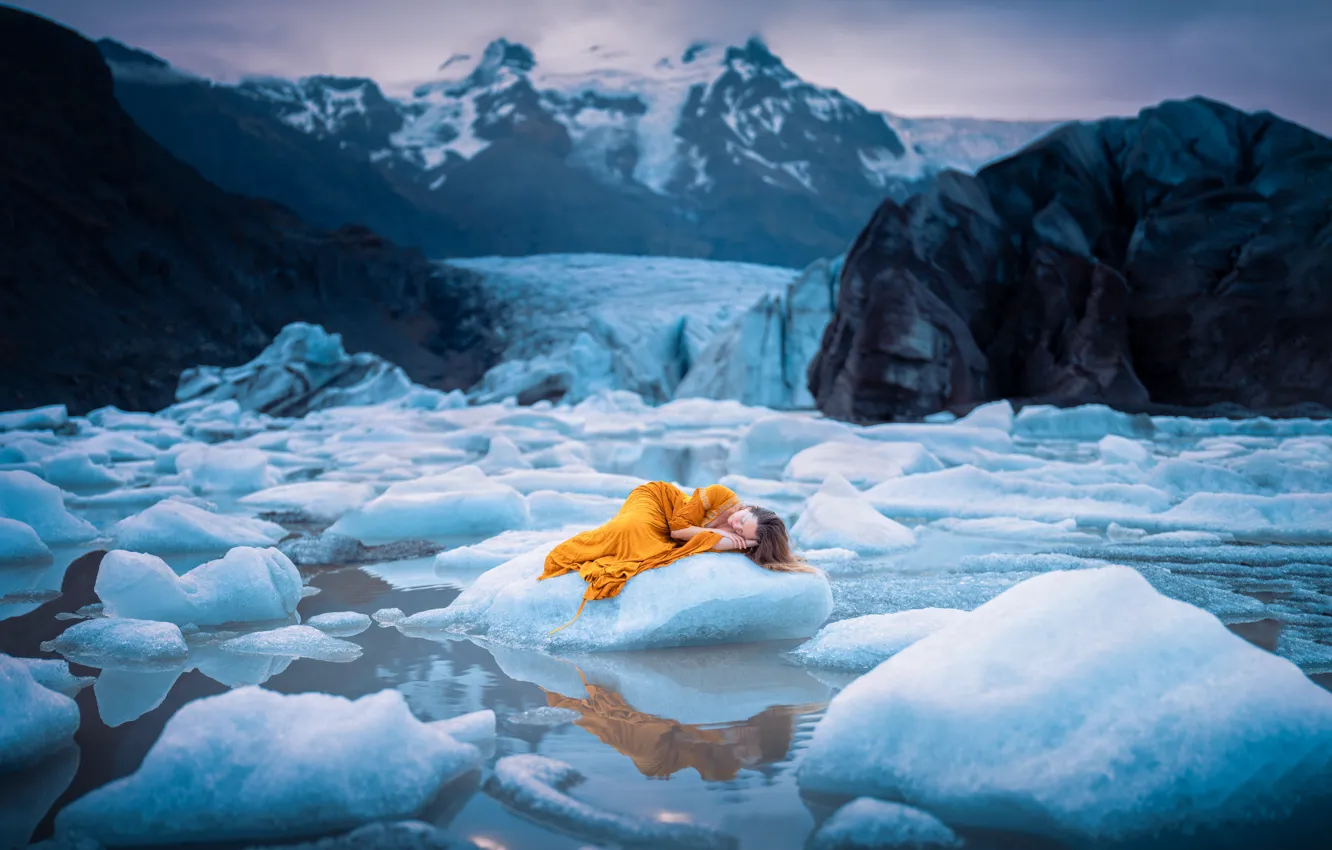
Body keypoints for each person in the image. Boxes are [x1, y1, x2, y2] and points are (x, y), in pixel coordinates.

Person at [540, 482, 810, 633]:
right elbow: (678, 529)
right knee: (629, 530)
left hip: (672, 528)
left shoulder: (740, 537)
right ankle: (575, 551)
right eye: (742, 520)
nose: (736, 527)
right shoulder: (721, 494)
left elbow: (692, 539)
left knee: (653, 548)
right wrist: (717, 535)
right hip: (656, 499)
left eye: (742, 531)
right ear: (750, 508)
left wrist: (736, 541)